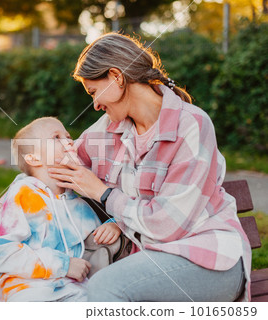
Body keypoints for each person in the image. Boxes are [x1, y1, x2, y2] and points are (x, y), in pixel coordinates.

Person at [43, 32, 252, 302]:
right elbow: (57, 164)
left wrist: (103, 193)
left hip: (208, 259)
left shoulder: (191, 126)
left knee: (105, 287)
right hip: (151, 261)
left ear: (117, 77)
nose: (94, 105)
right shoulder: (109, 129)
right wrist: (4, 206)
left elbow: (167, 225)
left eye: (94, 92)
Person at [0, 117, 121, 302]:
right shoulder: (24, 195)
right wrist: (64, 265)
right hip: (23, 291)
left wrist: (114, 225)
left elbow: (94, 240)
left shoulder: (79, 205)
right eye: (56, 137)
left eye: (68, 135)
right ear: (33, 158)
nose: (69, 141)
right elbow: (0, 254)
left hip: (71, 291)